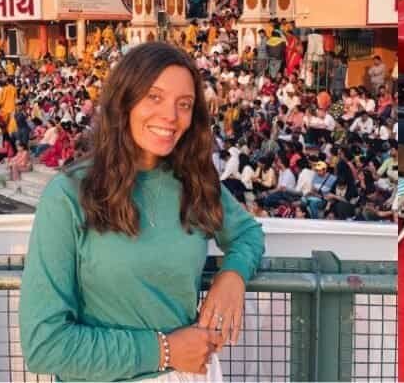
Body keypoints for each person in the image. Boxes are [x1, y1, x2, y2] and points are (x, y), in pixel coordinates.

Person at [19, 42, 266, 381]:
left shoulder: (194, 181)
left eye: (185, 104)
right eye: (154, 97)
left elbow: (247, 233)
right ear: (125, 101)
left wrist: (233, 274)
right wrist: (163, 350)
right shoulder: (68, 196)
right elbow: (44, 345)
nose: (170, 116)